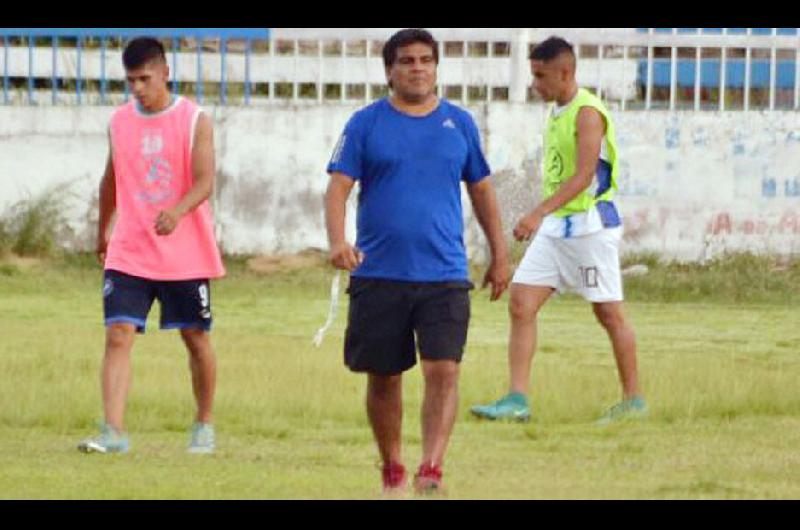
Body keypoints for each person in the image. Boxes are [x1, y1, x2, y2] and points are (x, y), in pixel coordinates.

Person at [325, 28, 510, 495]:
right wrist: (337, 241)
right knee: (384, 376)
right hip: (379, 272)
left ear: (436, 67)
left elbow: (482, 190)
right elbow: (338, 188)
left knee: (443, 369)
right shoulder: (366, 124)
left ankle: (431, 469)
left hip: (444, 273)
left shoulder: (459, 124)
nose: (417, 68)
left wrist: (499, 255)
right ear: (390, 70)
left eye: (426, 60)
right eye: (406, 61)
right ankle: (392, 467)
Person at [471, 37, 646, 425]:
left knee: (609, 314)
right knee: (521, 303)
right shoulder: (557, 111)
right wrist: (545, 217)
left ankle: (633, 401)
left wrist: (536, 213)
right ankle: (517, 400)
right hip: (557, 228)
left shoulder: (587, 113)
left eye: (540, 75)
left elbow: (584, 177)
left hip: (589, 229)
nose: (535, 84)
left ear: (565, 73)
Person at [77, 37, 225, 454]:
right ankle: (114, 431)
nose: (138, 88)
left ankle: (203, 423)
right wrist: (102, 227)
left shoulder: (195, 119)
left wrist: (177, 212)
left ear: (165, 73)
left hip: (184, 251)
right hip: (130, 248)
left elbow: (204, 181)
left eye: (145, 78)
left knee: (195, 337)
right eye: (131, 81)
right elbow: (111, 178)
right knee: (118, 333)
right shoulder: (119, 122)